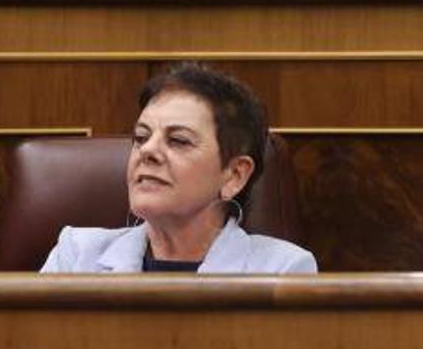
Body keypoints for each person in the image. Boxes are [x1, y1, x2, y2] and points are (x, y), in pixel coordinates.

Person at [41, 63, 316, 274]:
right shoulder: (75, 256)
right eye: (141, 137)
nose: (147, 151)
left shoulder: (282, 270)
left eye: (178, 140)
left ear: (234, 175)